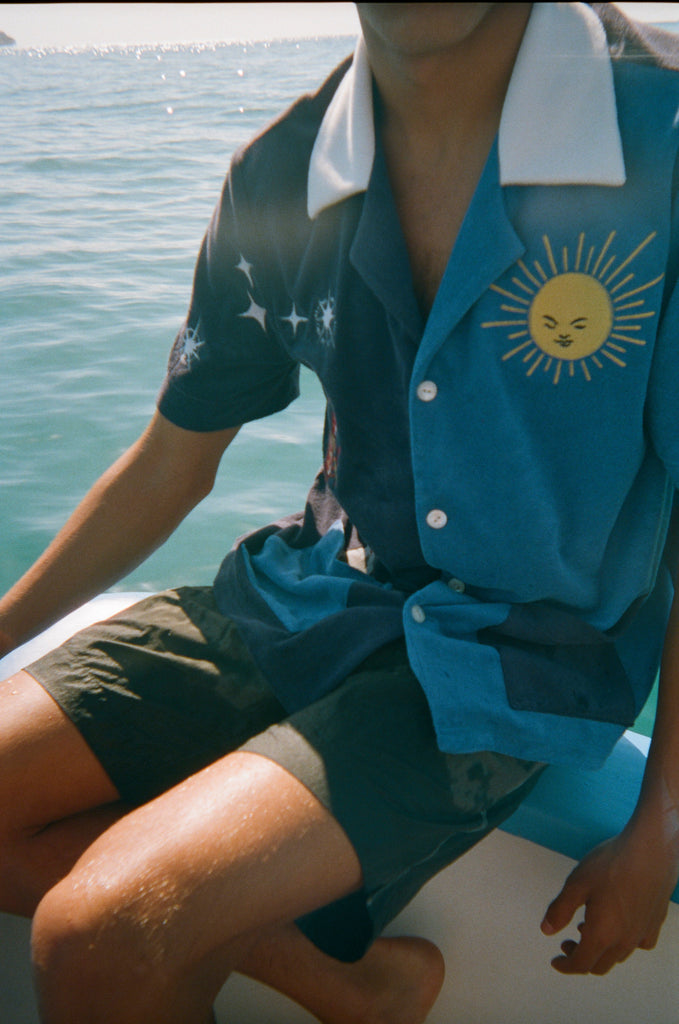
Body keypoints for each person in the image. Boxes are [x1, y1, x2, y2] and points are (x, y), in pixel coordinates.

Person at [1, 3, 679, 1021]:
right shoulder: (281, 172)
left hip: (518, 654)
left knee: (100, 934)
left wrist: (661, 819)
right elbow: (167, 469)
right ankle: (347, 990)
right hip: (307, 596)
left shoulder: (661, 138)